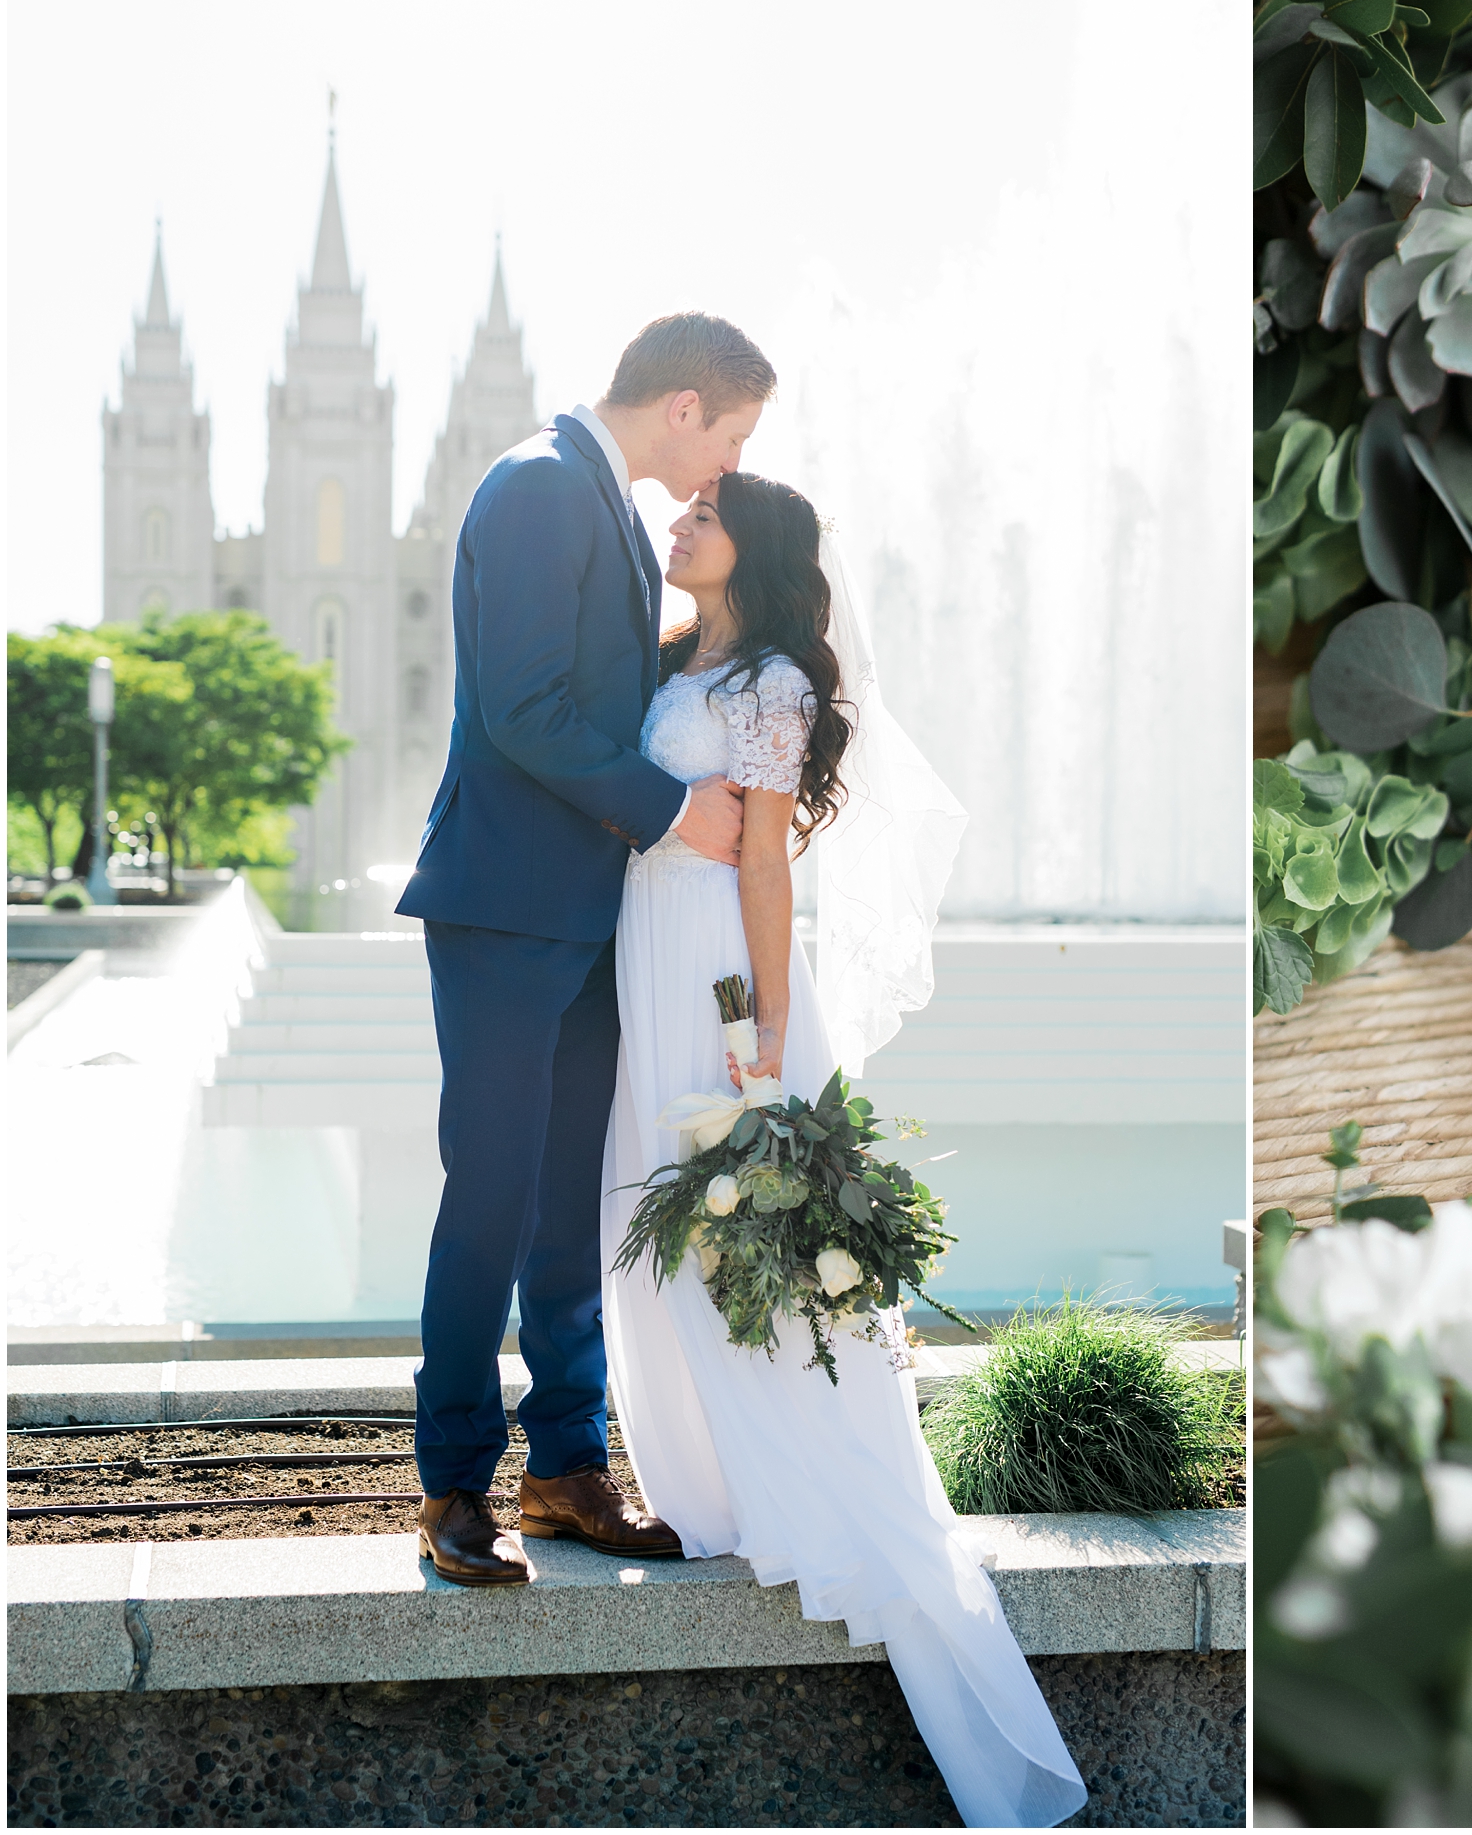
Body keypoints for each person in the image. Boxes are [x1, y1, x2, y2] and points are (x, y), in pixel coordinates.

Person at [598, 472, 1082, 1827]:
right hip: (644, 965)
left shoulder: (768, 680)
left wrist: (763, 1040)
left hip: (716, 980)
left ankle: (816, 1491)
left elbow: (764, 865)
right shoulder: (668, 655)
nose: (678, 521)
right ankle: (707, 1482)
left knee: (729, 1220)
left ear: (756, 544)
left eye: (703, 509)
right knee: (652, 1220)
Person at [396, 313, 771, 1580]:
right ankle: (454, 1486)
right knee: (489, 1202)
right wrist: (674, 810)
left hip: (587, 914)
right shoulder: (541, 487)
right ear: (682, 407)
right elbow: (523, 709)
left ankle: (563, 1468)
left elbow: (610, 694)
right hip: (504, 907)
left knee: (570, 1212)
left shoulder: (596, 499)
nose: (724, 465)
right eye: (729, 433)